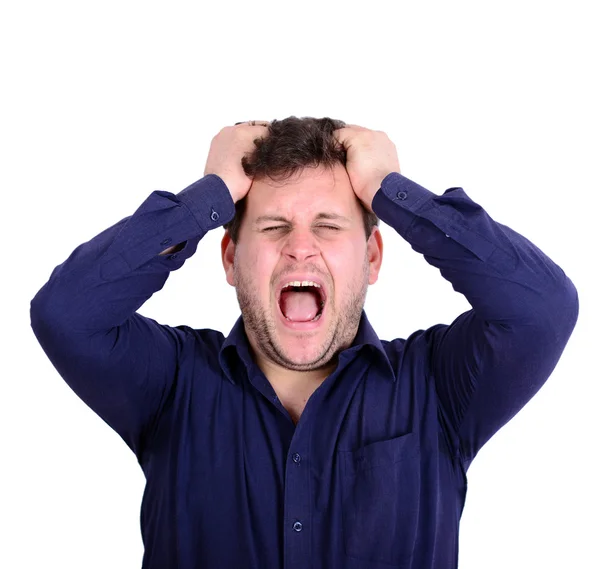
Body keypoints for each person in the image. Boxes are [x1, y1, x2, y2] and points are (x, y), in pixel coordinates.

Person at [30, 116, 579, 569]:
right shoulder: (172, 385)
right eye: (272, 227)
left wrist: (390, 190)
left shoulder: (437, 388)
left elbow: (542, 309)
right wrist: (210, 197)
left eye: (328, 225)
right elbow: (66, 312)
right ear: (228, 259)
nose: (299, 248)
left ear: (371, 259)